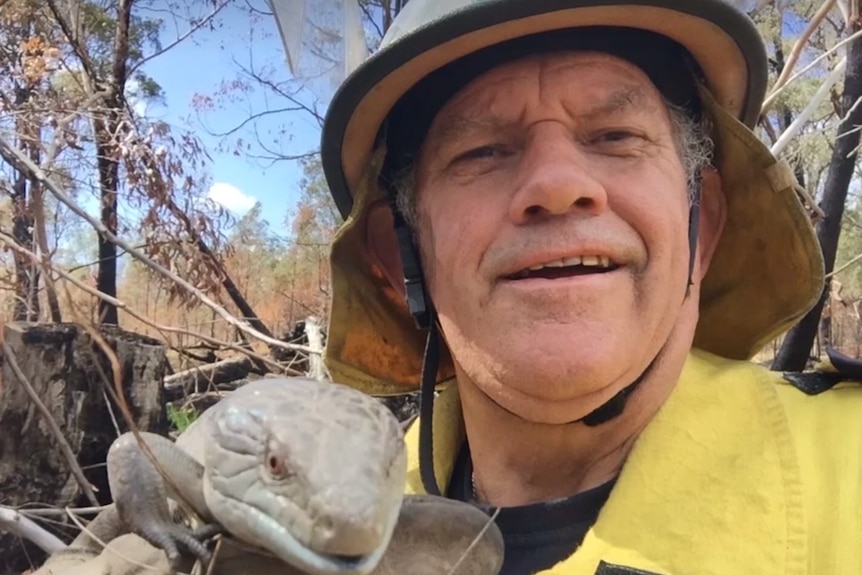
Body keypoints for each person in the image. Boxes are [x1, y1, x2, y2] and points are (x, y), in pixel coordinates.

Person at [29, 1, 862, 574]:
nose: (559, 183)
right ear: (400, 254)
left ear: (702, 224)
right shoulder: (337, 488)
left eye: (614, 135)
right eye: (483, 151)